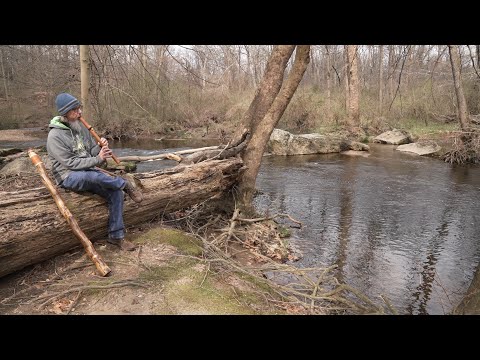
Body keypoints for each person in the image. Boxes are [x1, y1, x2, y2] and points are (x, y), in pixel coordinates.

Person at [46, 92, 143, 251]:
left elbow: (90, 151)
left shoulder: (79, 127)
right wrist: (98, 159)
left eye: (79, 108)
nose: (80, 113)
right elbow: (71, 163)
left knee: (115, 193)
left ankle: (116, 237)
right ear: (65, 113)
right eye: (75, 110)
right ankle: (124, 184)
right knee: (93, 176)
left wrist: (100, 147)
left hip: (88, 171)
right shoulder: (55, 136)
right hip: (67, 176)